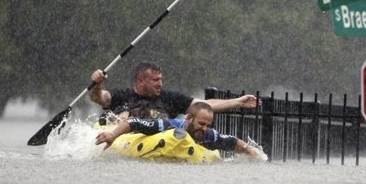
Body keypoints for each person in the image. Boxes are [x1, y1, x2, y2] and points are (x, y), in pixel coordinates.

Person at [95, 101, 267, 162]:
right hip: (139, 141)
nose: (205, 128)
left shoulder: (207, 134)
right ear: (189, 119)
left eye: (208, 125)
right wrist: (112, 135)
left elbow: (231, 141)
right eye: (201, 123)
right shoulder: (168, 125)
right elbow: (134, 122)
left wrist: (251, 151)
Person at [89, 61, 259, 121]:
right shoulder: (121, 95)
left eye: (161, 79)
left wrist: (238, 101)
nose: (160, 84)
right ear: (140, 81)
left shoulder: (170, 98)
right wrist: (97, 83)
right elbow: (99, 98)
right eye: (156, 80)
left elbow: (204, 105)